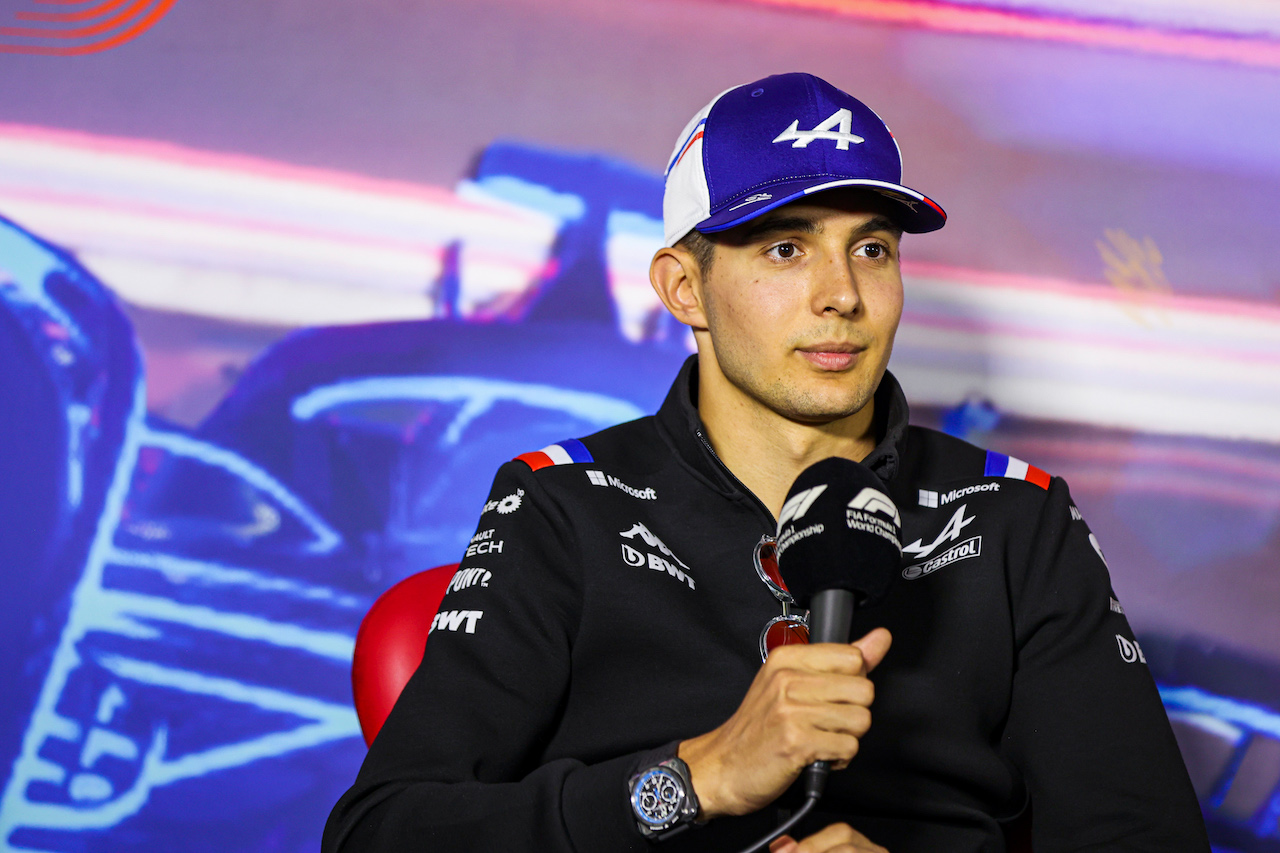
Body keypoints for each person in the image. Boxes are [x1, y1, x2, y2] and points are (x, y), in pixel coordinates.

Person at [322, 72, 1209, 852]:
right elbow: (383, 833)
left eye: (872, 248)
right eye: (786, 248)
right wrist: (696, 778)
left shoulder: (1015, 516)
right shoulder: (565, 505)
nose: (843, 296)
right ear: (683, 288)